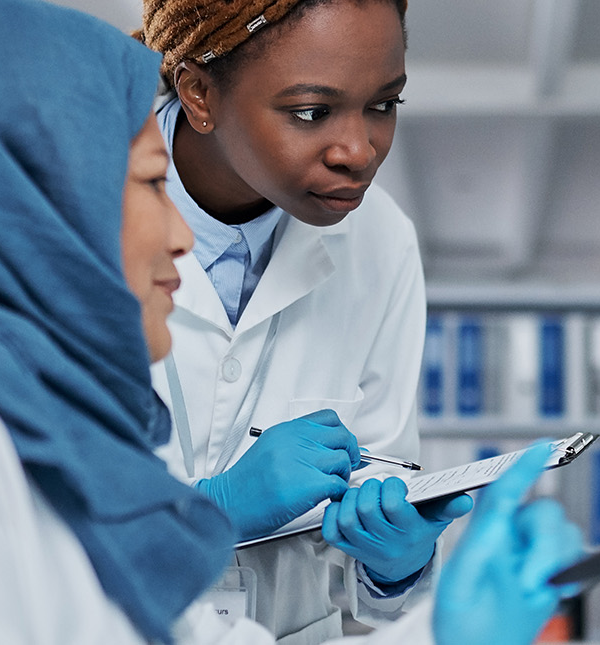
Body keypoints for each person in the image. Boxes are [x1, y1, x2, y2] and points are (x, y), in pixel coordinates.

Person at [0, 0, 581, 643]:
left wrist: (432, 610)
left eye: (383, 105)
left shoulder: (19, 438)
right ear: (27, 208)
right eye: (149, 184)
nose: (185, 236)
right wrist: (208, 509)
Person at [135, 0, 441, 641]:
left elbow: (384, 488)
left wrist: (394, 568)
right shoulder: (69, 200)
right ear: (198, 93)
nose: (359, 151)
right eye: (311, 112)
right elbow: (10, 525)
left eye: (384, 105)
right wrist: (207, 511)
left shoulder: (381, 240)